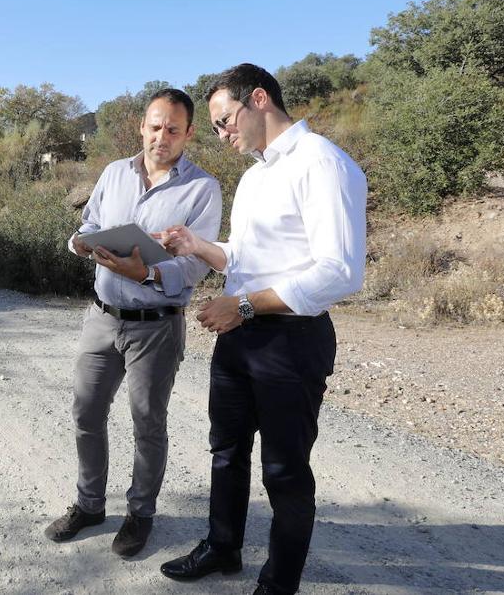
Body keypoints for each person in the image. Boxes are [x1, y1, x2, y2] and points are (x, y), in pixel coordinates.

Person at [155, 63, 367, 594]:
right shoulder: (254, 175)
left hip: (290, 341)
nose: (222, 134)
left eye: (225, 120)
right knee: (226, 450)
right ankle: (223, 548)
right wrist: (196, 246)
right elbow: (245, 259)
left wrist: (243, 307)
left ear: (258, 100)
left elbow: (339, 272)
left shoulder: (322, 164)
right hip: (241, 336)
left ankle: (279, 584)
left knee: (284, 471)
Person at [44, 88, 222, 558]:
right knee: (86, 413)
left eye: (173, 129)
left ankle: (140, 515)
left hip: (156, 326)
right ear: (142, 126)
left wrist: (144, 272)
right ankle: (90, 505)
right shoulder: (113, 173)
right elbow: (89, 223)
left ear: (188, 134)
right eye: (155, 126)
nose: (161, 137)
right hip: (101, 318)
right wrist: (81, 244)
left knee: (148, 423)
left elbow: (196, 265)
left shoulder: (203, 188)